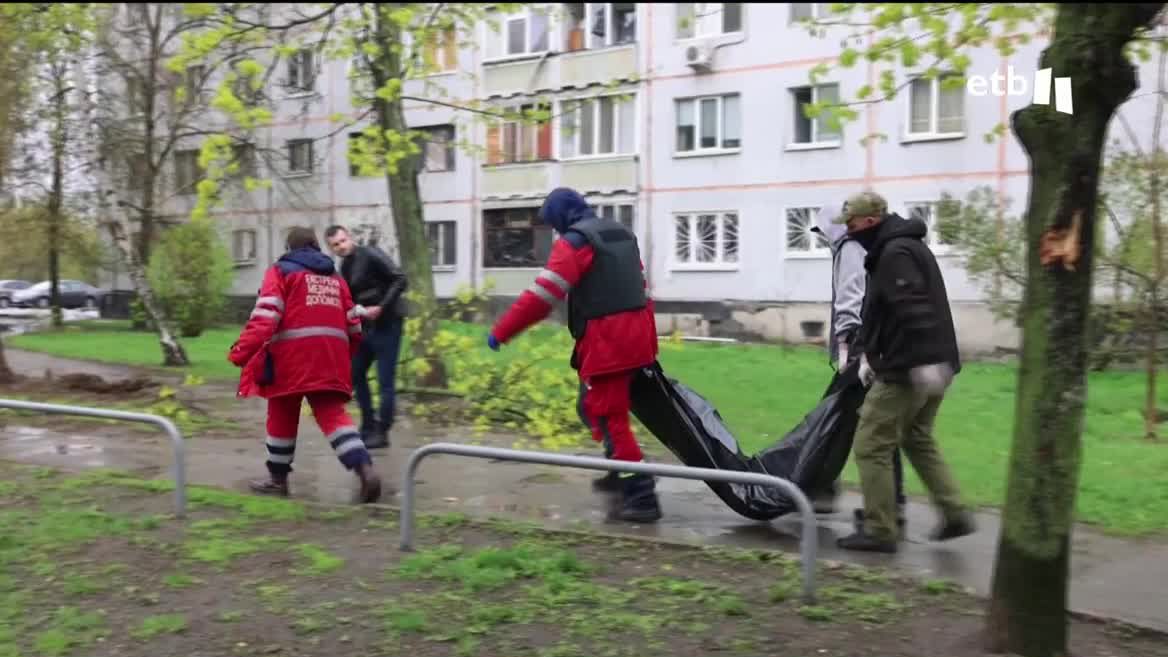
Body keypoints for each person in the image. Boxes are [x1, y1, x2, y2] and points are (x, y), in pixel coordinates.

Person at [486, 187, 662, 523]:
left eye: (553, 224)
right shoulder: (620, 234)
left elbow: (541, 297)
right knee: (589, 405)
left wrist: (501, 331)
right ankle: (619, 468)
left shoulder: (575, 243)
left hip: (610, 343)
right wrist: (647, 343)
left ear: (561, 219)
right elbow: (641, 290)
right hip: (636, 337)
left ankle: (641, 494)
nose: (554, 231)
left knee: (611, 416)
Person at [830, 191, 976, 553]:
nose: (847, 231)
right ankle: (954, 512)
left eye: (850, 224)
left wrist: (921, 361)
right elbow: (883, 311)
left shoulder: (894, 254)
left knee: (870, 445)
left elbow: (912, 308)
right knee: (916, 437)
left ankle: (881, 529)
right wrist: (865, 353)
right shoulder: (903, 247)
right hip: (933, 363)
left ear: (869, 221)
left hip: (908, 368)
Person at [228, 226, 382, 503]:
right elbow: (354, 325)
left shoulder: (281, 272)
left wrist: (241, 351)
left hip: (290, 361)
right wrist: (344, 356)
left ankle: (278, 479)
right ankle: (364, 469)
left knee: (282, 413)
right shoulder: (335, 277)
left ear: (289, 249)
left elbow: (266, 315)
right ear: (316, 246)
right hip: (329, 359)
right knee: (333, 415)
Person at [809, 210, 907, 530]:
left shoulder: (849, 249)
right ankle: (894, 502)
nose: (823, 239)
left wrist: (846, 350)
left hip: (859, 351)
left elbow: (851, 298)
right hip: (873, 348)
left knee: (838, 418)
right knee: (874, 422)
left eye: (824, 232)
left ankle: (821, 491)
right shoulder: (864, 246)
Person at [323, 225, 408, 450]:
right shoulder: (344, 265)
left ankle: (382, 430)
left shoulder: (371, 254)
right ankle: (368, 424)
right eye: (335, 245)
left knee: (385, 380)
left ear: (349, 237)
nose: (341, 246)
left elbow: (400, 279)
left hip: (388, 323)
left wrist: (381, 307)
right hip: (366, 327)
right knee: (355, 372)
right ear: (331, 248)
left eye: (342, 241)